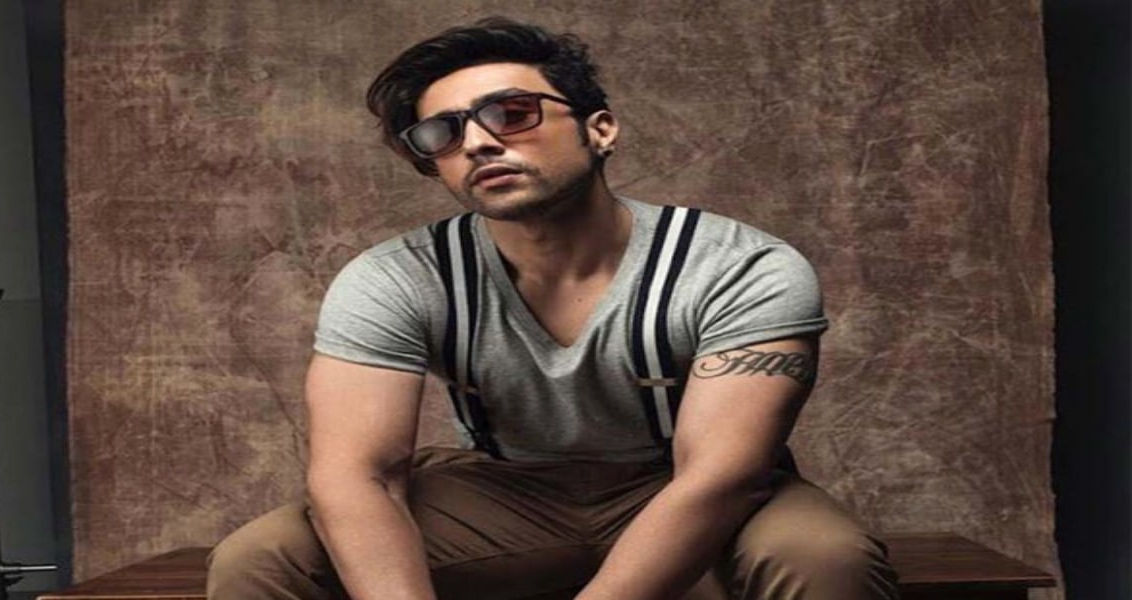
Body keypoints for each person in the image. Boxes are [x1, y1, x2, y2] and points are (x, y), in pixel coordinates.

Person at [207, 17, 900, 600]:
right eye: (443, 134)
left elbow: (722, 478)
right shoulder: (396, 278)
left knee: (824, 559)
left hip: (683, 485)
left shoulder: (738, 266)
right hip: (506, 493)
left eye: (512, 113)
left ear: (600, 130)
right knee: (262, 558)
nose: (478, 142)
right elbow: (358, 476)